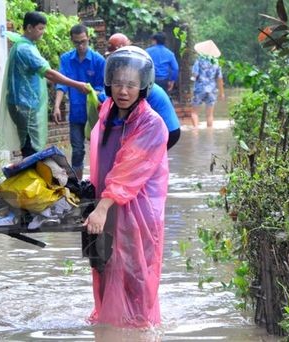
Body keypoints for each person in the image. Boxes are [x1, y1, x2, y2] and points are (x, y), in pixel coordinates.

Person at [84, 46, 169, 328]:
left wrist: (102, 207)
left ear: (143, 86)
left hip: (137, 213)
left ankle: (140, 326)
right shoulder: (107, 111)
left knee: (136, 269)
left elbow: (127, 172)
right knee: (105, 264)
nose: (123, 91)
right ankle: (110, 324)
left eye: (131, 85)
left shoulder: (152, 124)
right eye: (118, 83)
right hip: (105, 207)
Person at [1, 11, 89, 158]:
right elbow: (49, 73)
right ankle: (30, 178)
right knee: (30, 150)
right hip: (25, 106)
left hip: (23, 104)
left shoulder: (23, 45)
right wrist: (77, 84)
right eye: (40, 28)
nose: (43, 32)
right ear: (29, 28)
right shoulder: (25, 49)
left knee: (29, 148)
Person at [105, 33, 180, 149]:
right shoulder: (168, 54)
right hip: (164, 82)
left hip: (167, 129)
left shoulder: (141, 93)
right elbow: (175, 68)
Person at [52, 24, 106, 180]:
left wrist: (93, 92)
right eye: (77, 43)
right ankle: (78, 183)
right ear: (72, 41)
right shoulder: (66, 59)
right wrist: (56, 106)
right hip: (76, 113)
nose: (81, 46)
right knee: (77, 150)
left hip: (95, 113)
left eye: (83, 41)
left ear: (88, 38)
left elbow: (104, 88)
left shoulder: (98, 61)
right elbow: (61, 84)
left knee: (99, 148)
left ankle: (98, 181)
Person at [190, 52, 225, 128]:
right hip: (212, 90)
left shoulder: (199, 60)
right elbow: (219, 78)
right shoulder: (216, 62)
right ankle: (210, 134)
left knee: (194, 112)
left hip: (199, 88)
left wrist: (192, 84)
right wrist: (222, 93)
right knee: (210, 115)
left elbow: (194, 75)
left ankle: (195, 132)